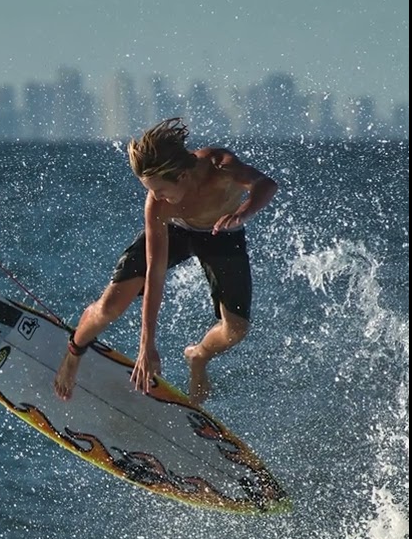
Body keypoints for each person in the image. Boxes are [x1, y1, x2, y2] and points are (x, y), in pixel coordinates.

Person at [52, 117, 278, 406]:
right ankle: (74, 352)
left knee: (236, 330)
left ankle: (198, 355)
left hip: (222, 233)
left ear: (181, 177)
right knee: (110, 306)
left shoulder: (220, 166)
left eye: (159, 189)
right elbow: (154, 274)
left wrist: (241, 214)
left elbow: (265, 184)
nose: (154, 196)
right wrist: (146, 345)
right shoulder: (157, 206)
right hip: (176, 230)